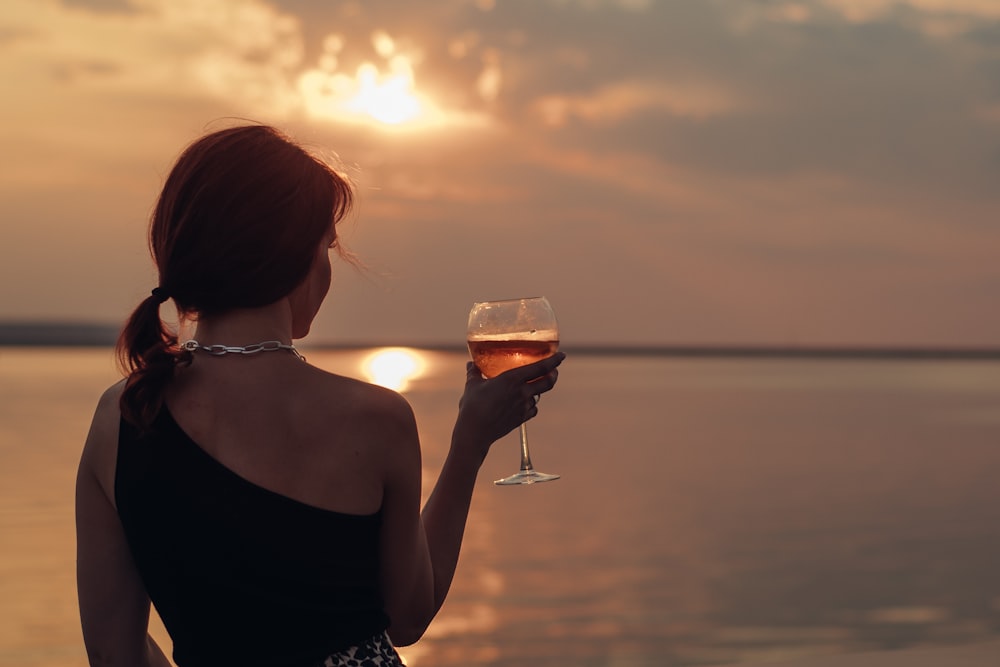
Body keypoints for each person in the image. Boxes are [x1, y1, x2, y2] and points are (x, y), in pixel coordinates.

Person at [75, 123, 564, 667]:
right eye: (326, 246)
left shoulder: (119, 417)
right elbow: (407, 617)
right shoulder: (375, 419)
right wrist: (469, 444)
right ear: (293, 255)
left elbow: (113, 648)